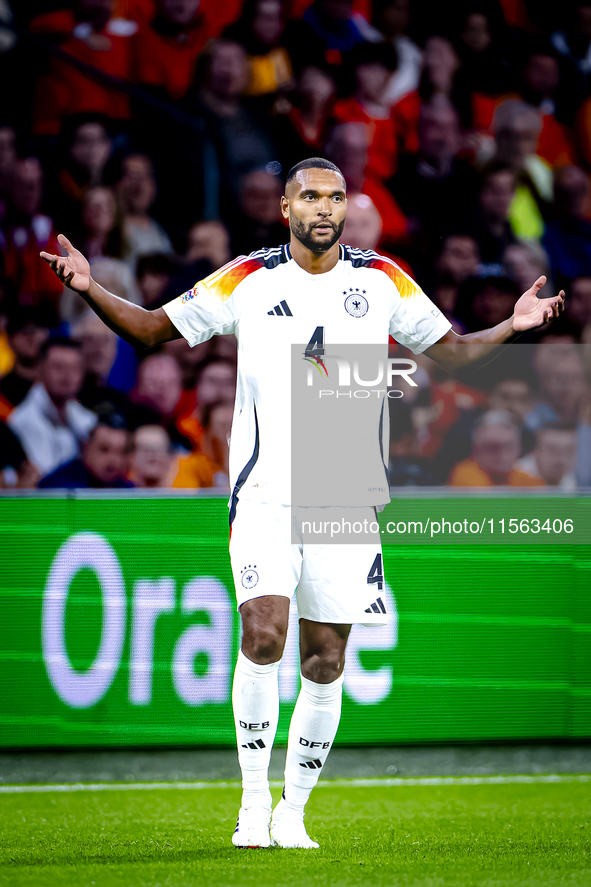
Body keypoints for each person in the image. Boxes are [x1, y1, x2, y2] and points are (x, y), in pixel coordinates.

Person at [40, 156, 565, 850]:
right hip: (262, 495)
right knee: (262, 634)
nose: (324, 207)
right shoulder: (248, 278)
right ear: (284, 208)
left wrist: (509, 326)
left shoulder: (380, 278)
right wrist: (88, 287)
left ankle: (294, 810)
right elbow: (149, 330)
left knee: (324, 659)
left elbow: (453, 353)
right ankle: (252, 803)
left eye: (336, 196)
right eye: (310, 196)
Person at [8, 336, 96, 475]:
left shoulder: (88, 418)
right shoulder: (22, 420)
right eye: (58, 367)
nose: (67, 375)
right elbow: (43, 476)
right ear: (39, 368)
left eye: (74, 368)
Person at [38, 412, 133, 488]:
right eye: (104, 449)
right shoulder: (56, 486)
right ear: (87, 447)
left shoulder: (126, 489)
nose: (113, 460)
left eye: (120, 452)